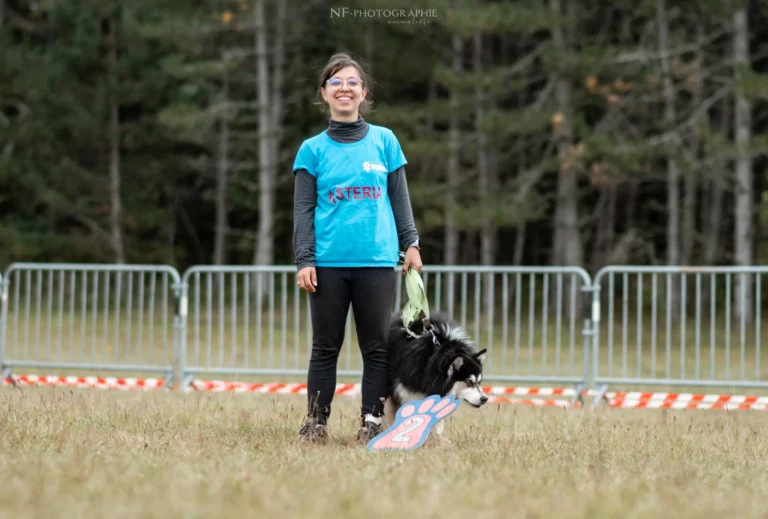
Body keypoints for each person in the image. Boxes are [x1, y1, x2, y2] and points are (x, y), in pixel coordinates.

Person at [292, 52, 423, 445]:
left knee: (376, 348)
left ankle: (371, 421)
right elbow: (303, 209)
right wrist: (305, 259)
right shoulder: (311, 150)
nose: (344, 88)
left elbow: (400, 198)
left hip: (377, 261)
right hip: (328, 264)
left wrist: (411, 243)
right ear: (324, 93)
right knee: (325, 347)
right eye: (336, 82)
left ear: (363, 92)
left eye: (351, 82)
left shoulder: (385, 141)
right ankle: (316, 423)